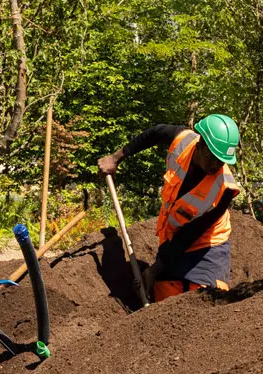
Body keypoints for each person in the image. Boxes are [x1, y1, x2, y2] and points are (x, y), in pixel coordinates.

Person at [97, 114, 241, 302]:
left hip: (208, 246)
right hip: (173, 235)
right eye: (212, 157)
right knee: (165, 300)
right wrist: (116, 158)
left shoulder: (224, 190)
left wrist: (155, 269)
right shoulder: (182, 141)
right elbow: (154, 133)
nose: (216, 165)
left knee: (206, 303)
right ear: (200, 144)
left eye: (222, 161)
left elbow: (190, 235)